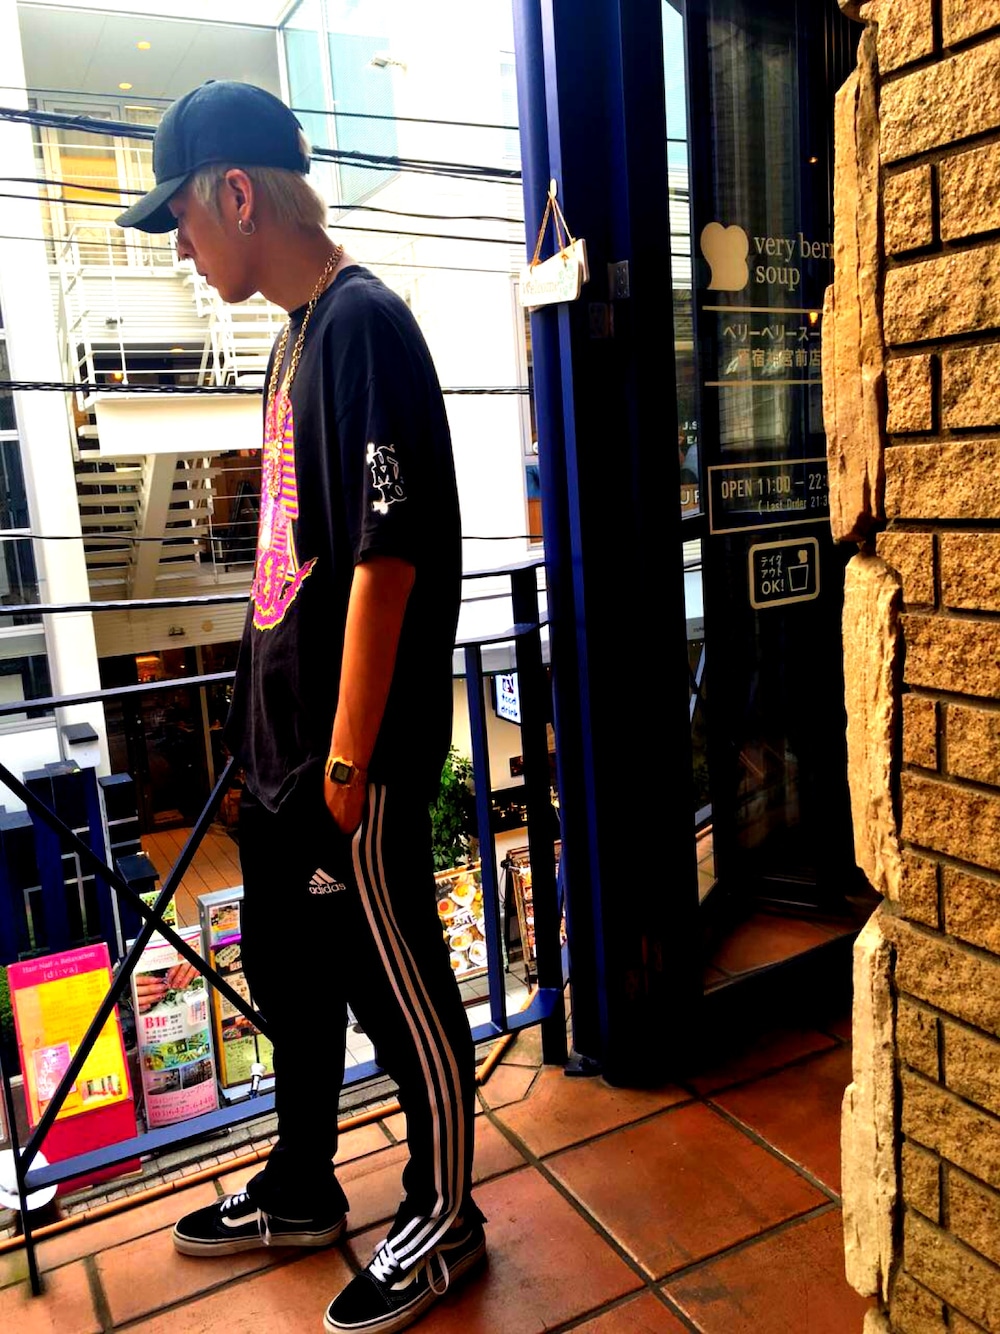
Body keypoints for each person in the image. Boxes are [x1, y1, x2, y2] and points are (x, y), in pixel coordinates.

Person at [117, 80, 484, 1334]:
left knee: (396, 977)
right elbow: (299, 556)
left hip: (349, 757)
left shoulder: (363, 323)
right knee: (290, 969)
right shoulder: (295, 333)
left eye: (180, 218)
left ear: (236, 193)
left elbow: (388, 558)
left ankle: (446, 1210)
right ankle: (302, 1183)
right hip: (284, 751)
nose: (180, 248)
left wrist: (345, 758)